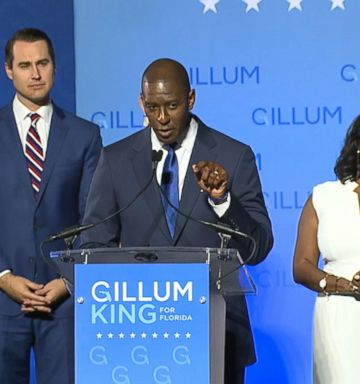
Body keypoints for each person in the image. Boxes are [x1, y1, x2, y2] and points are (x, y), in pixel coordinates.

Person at [81, 58, 273, 383]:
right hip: (140, 334)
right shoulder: (115, 160)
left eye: (172, 105)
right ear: (141, 102)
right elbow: (94, 245)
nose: (162, 118)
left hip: (218, 333)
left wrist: (223, 201)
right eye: (152, 107)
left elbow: (259, 247)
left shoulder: (232, 156)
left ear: (191, 99)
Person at [0, 28, 102, 384]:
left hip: (64, 304)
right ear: (9, 70)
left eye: (42, 63)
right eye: (25, 65)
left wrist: (67, 280)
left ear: (55, 67)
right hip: (3, 302)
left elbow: (95, 220)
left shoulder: (85, 135)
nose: (36, 73)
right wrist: (4, 278)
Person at [293, 101, 360, 383]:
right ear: (359, 137)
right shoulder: (324, 196)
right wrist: (347, 286)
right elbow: (302, 267)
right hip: (337, 319)